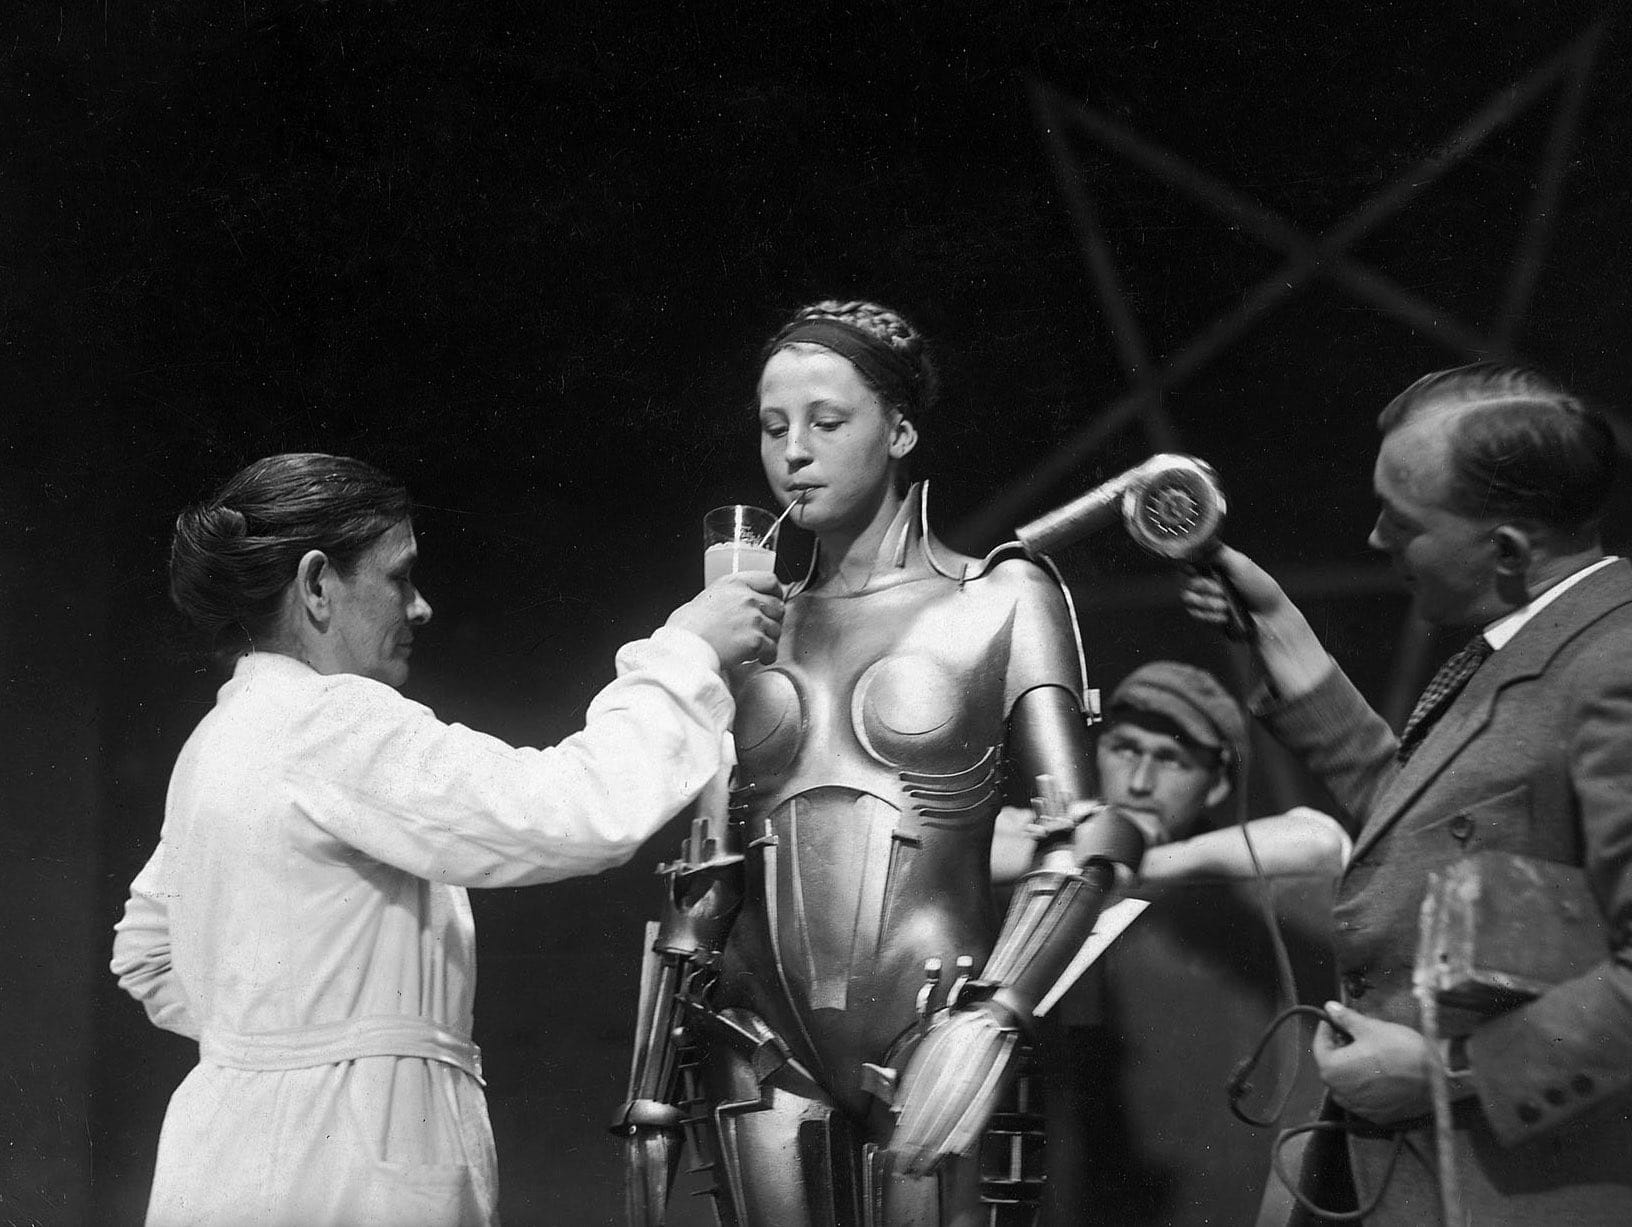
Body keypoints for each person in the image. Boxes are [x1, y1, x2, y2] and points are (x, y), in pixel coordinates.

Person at [110, 452, 784, 1227]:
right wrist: (687, 649)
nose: (422, 607)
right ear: (318, 585)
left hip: (225, 1157)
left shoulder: (221, 738)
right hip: (340, 1168)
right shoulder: (329, 724)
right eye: (400, 577)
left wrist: (274, 1035)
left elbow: (146, 950)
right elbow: (572, 808)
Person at [1180, 363, 1632, 1226]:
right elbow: (1432, 827)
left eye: (1403, 519)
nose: (1377, 538)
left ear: (1506, 549)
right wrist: (1288, 642)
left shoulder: (1628, 675)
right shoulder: (1531, 652)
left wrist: (1447, 1069)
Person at [614, 300, 1149, 1227]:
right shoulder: (747, 621)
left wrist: (995, 1017)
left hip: (938, 1027)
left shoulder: (1002, 595)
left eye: (828, 422)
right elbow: (705, 867)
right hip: (757, 1044)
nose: (794, 451)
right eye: (774, 426)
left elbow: (1080, 839)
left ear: (900, 429)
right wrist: (650, 1088)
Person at [992, 660, 1347, 1225]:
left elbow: (1323, 841)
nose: (1138, 781)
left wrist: (1140, 858)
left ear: (1220, 783)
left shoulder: (1224, 871)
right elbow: (974, 847)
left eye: (1171, 759)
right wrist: (1071, 852)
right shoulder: (1049, 835)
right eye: (1124, 748)